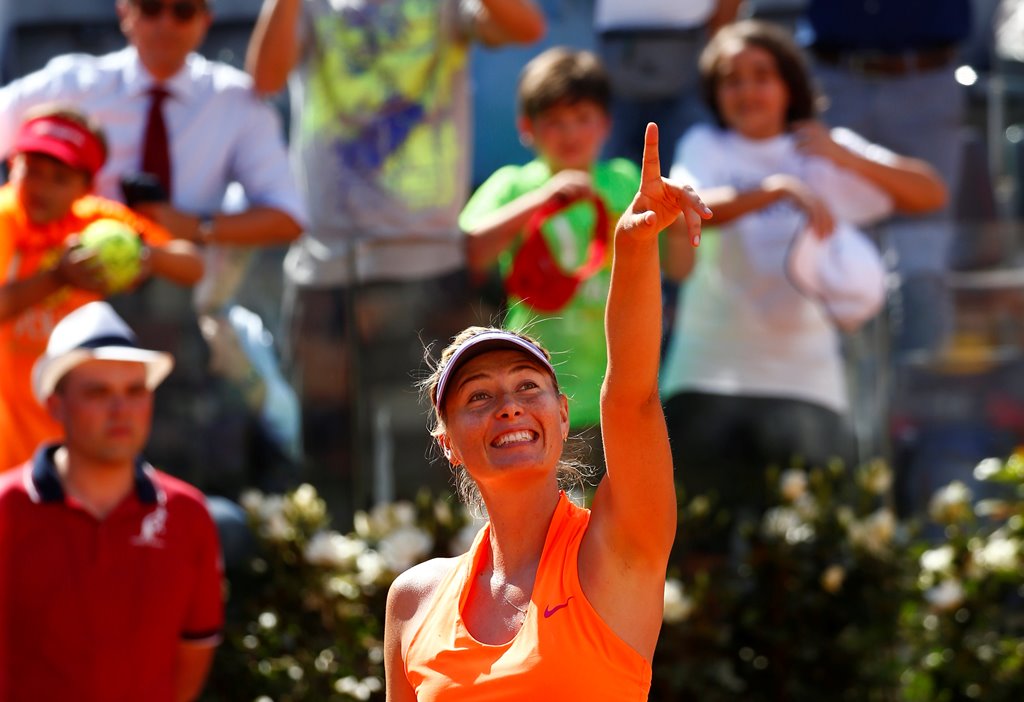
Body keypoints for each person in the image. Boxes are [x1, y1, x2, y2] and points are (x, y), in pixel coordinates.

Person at [383, 122, 710, 700]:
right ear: (446, 440)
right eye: (478, 396)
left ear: (563, 415)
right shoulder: (413, 600)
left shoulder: (617, 547)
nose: (509, 407)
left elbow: (631, 398)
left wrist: (634, 248)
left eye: (527, 387)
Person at [246, 0, 546, 524]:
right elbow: (264, 78)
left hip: (429, 265)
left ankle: (438, 570)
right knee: (328, 453)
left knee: (439, 452)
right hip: (329, 266)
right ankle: (331, 567)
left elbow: (525, 26)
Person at [661, 20, 947, 554]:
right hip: (707, 381)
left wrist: (843, 158)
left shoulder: (822, 146)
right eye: (731, 80)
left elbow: (929, 192)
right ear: (714, 93)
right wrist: (775, 191)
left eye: (761, 75)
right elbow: (686, 206)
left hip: (808, 384)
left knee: (808, 563)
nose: (747, 90)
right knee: (701, 558)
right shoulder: (705, 144)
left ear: (789, 84)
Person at [0, 0, 308, 492]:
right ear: (125, 11)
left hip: (182, 323)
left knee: (202, 459)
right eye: (150, 7)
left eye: (182, 10)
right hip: (53, 354)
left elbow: (287, 217)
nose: (165, 22)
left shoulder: (232, 100)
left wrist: (183, 229)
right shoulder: (70, 83)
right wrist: (57, 273)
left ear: (205, 20)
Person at [0, 300, 223, 701]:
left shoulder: (188, 514)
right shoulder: (5, 508)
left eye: (135, 390)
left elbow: (194, 653)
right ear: (55, 405)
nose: (121, 410)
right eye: (98, 392)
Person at [459, 47, 639, 464]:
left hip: (619, 388)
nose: (569, 133)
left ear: (606, 124)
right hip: (536, 393)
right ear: (527, 128)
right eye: (555, 121)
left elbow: (674, 265)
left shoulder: (624, 180)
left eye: (582, 118)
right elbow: (472, 251)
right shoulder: (513, 186)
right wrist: (541, 199)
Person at [0, 105, 203, 472]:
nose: (41, 187)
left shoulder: (97, 222)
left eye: (59, 177)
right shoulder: (4, 217)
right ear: (13, 165)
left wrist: (142, 257)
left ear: (86, 187)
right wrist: (57, 278)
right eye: (32, 170)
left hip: (68, 434)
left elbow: (191, 265)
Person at [803, 0, 970, 358]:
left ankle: (921, 385)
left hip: (926, 78)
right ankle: (845, 387)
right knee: (836, 262)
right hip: (835, 80)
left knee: (922, 269)